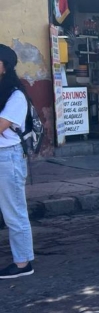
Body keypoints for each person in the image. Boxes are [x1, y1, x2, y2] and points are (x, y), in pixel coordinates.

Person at [0, 45, 35, 279]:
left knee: (14, 211)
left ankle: (23, 263)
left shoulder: (15, 95)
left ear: (4, 66)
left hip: (8, 157)